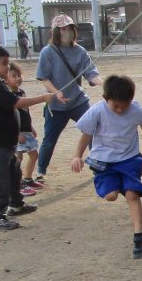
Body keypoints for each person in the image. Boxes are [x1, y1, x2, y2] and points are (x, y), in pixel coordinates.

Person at [69, 75, 142, 259]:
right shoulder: (97, 111)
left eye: (125, 105)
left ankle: (138, 237)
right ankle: (118, 186)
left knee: (132, 194)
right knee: (111, 196)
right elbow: (86, 134)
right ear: (105, 98)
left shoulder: (135, 108)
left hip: (130, 159)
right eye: (116, 105)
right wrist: (77, 155)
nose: (121, 109)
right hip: (104, 162)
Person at [0, 45, 55, 230]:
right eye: (4, 64)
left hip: (5, 141)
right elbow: (16, 103)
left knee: (13, 173)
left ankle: (16, 204)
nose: (7, 67)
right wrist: (43, 98)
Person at [35, 14, 102, 182]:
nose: (67, 32)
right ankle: (41, 170)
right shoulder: (48, 52)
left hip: (78, 101)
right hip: (56, 106)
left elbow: (91, 74)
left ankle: (97, 166)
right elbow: (44, 77)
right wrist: (56, 92)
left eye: (70, 28)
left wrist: (103, 83)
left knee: (93, 131)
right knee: (50, 139)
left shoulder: (80, 51)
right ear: (56, 31)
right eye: (63, 29)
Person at [6, 61, 42, 194]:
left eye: (19, 75)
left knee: (34, 155)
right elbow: (9, 117)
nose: (17, 78)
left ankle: (27, 178)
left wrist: (31, 127)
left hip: (27, 131)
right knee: (17, 158)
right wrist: (16, 133)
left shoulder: (21, 92)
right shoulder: (8, 95)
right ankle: (18, 184)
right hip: (17, 133)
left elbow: (25, 111)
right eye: (13, 76)